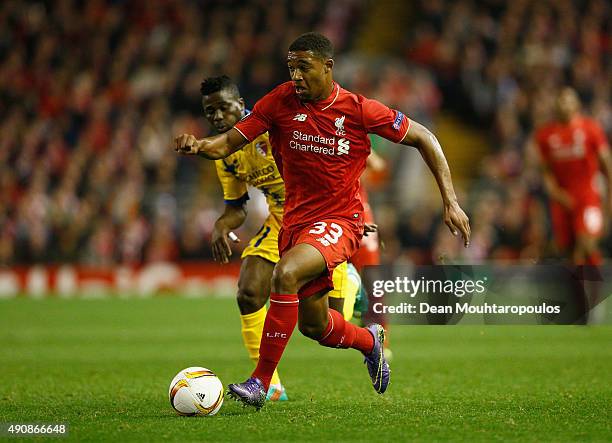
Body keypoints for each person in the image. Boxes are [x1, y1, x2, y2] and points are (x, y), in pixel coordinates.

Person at [175, 32, 470, 409]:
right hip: (295, 224)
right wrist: (199, 145)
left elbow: (425, 137)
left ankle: (260, 383)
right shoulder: (279, 101)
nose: (295, 75)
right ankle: (370, 341)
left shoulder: (359, 109)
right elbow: (228, 143)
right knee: (315, 325)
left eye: (303, 67)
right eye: (291, 67)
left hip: (341, 220)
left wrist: (451, 202)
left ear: (327, 67)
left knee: (284, 274)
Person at [200, 75, 361, 401]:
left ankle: (353, 285)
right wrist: (221, 224)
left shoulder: (274, 127)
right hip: (279, 221)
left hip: (317, 218)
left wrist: (345, 211)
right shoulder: (226, 153)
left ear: (241, 104)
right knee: (248, 293)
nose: (217, 117)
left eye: (223, 108)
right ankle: (269, 383)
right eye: (209, 112)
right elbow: (236, 207)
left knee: (325, 325)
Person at [535, 87, 611, 323]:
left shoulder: (590, 129)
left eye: (568, 100)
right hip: (562, 203)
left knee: (586, 244)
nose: (564, 104)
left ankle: (594, 304)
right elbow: (546, 171)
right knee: (570, 255)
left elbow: (606, 163)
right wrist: (554, 191)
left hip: (588, 198)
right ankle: (582, 307)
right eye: (561, 100)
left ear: (576, 104)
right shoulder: (546, 135)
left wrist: (609, 197)